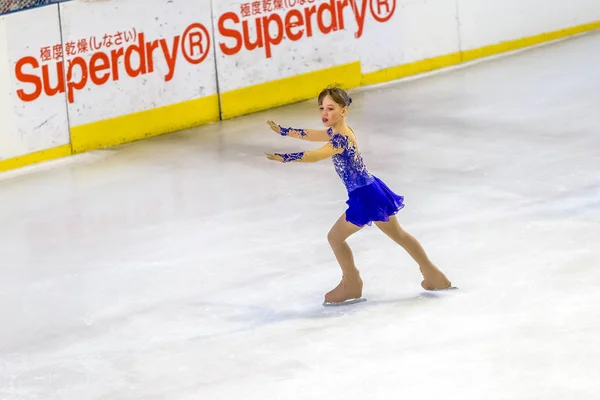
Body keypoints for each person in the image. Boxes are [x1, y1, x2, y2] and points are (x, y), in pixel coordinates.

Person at [265, 85, 454, 306]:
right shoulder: (338, 131)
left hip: (365, 196)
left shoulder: (340, 139)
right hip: (371, 189)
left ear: (343, 111)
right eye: (321, 108)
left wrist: (284, 158)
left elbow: (315, 156)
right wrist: (283, 131)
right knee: (399, 235)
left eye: (331, 108)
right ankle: (434, 276)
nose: (325, 114)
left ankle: (351, 283)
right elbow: (311, 134)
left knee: (335, 238)